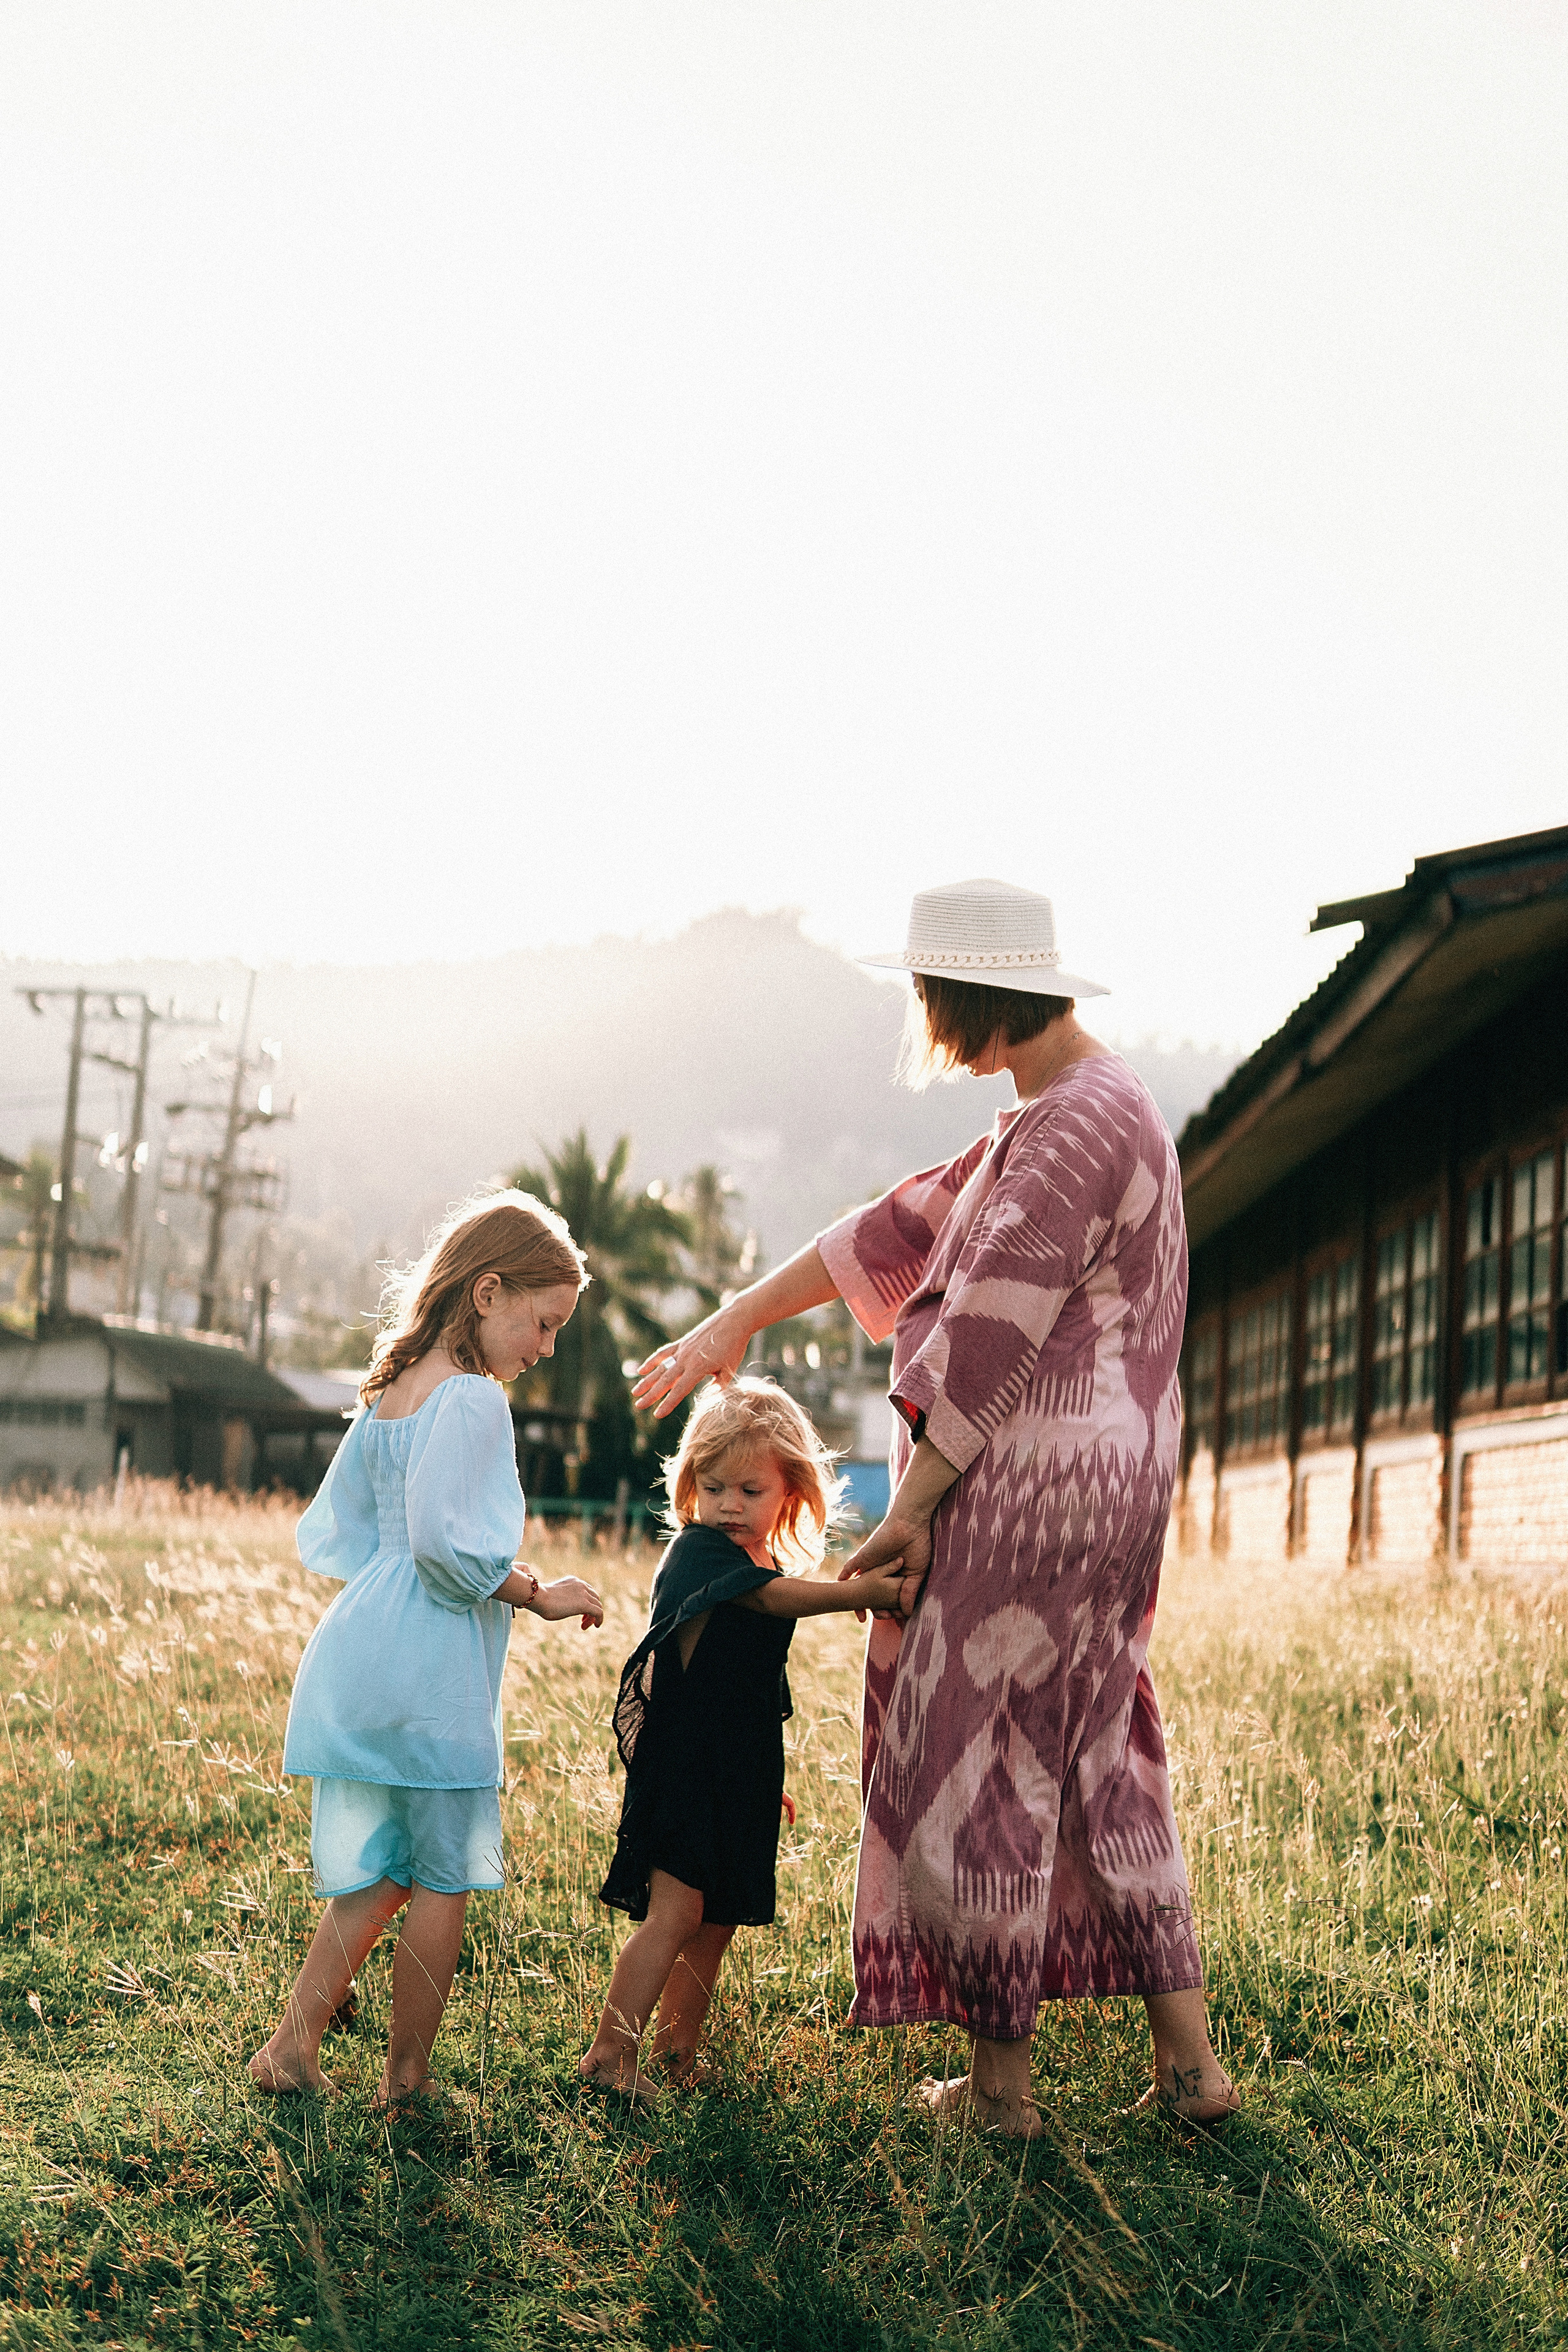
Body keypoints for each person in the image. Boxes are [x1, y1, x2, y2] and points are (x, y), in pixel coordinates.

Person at [636, 878, 1238, 2136]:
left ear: (969, 992)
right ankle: (1190, 2069)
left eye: (924, 995)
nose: (920, 1019)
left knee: (976, 1749)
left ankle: (999, 2091)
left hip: (1025, 1485)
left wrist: (908, 1506)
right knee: (1093, 1744)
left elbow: (985, 1332)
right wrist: (735, 1319)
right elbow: (898, 1220)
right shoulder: (1081, 1107)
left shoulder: (1067, 1128)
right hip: (1113, 1486)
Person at [248, 1190, 605, 2107]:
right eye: (544, 1321)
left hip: (367, 1647)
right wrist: (538, 1591)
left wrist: (409, 1583)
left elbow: (351, 1530)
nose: (548, 1347)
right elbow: (447, 1548)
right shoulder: (475, 1400)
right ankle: (407, 2081)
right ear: (488, 1293)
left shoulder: (394, 1391)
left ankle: (292, 2049)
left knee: (389, 1874)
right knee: (444, 1875)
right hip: (429, 1673)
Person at [581, 1378, 921, 2100]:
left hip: (736, 1767)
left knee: (716, 1921)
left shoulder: (758, 1560)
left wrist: (766, 1781)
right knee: (675, 1912)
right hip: (683, 1764)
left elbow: (752, 1684)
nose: (729, 1505)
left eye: (750, 1490)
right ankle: (611, 2054)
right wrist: (854, 1593)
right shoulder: (701, 1556)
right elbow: (772, 1601)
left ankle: (677, 2052)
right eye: (713, 1488)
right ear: (689, 1491)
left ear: (790, 1493)